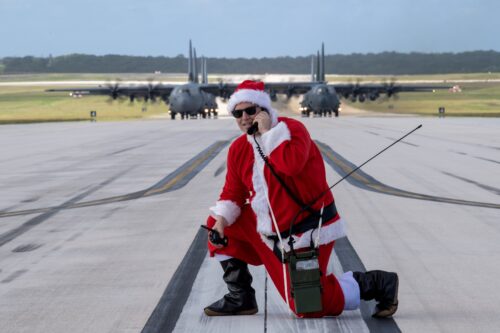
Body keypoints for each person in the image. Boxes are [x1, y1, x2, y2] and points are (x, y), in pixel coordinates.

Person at [203, 80, 398, 318]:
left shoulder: (291, 130)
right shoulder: (238, 149)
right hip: (268, 231)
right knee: (217, 227)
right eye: (238, 113)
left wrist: (268, 134)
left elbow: (291, 165)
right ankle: (240, 297)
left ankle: (375, 283)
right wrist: (221, 221)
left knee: (306, 306)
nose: (244, 117)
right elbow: (232, 193)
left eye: (250, 111)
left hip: (308, 231)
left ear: (263, 111)